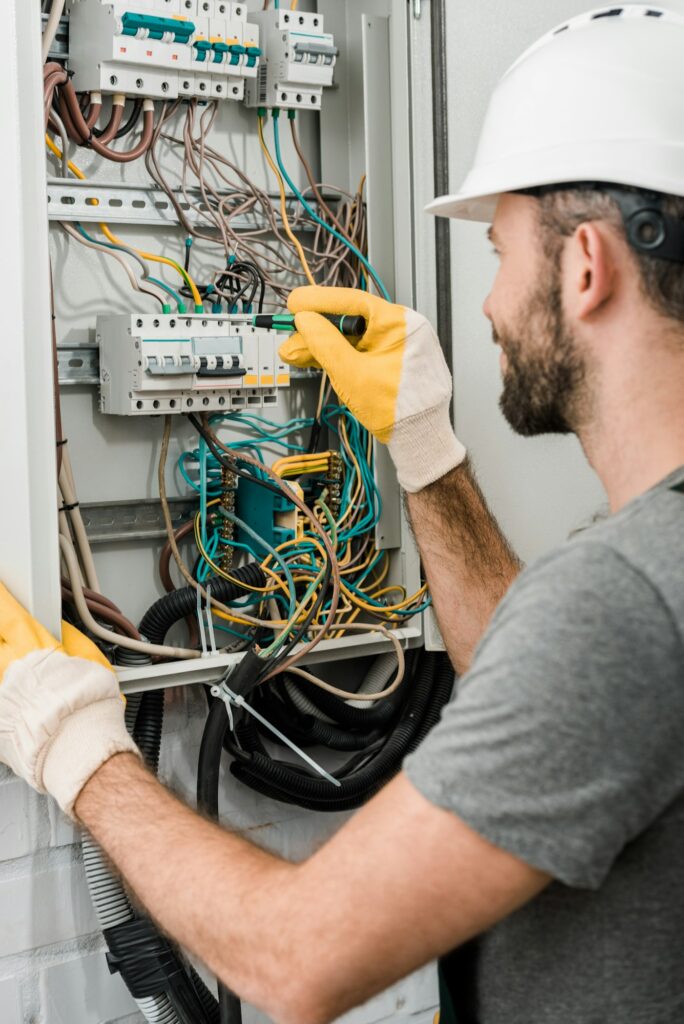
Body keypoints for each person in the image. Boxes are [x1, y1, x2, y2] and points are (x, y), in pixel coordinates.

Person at [3, 7, 684, 1022]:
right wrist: (425, 446)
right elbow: (551, 688)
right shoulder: (648, 569)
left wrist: (72, 741)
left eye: (498, 253)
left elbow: (298, 957)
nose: (489, 305)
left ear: (585, 267)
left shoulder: (625, 595)